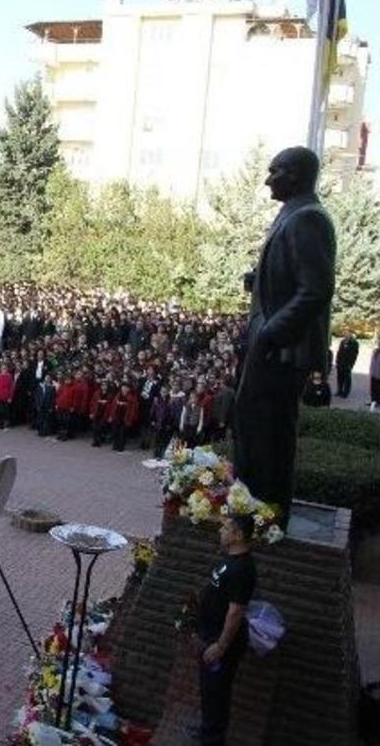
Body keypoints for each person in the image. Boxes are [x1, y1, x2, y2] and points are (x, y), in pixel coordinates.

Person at [234, 146, 335, 523]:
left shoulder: (309, 218)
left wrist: (271, 333)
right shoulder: (290, 214)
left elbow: (315, 289)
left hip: (281, 349)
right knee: (249, 424)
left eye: (273, 171)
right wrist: (258, 280)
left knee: (269, 433)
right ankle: (249, 505)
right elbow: (289, 277)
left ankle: (264, 516)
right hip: (269, 343)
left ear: (293, 175)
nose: (267, 180)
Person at [195, 514, 257, 746]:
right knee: (208, 693)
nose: (221, 532)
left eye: (226, 528)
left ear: (238, 535)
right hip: (209, 636)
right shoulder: (229, 560)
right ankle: (206, 731)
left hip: (220, 644)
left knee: (217, 694)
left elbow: (235, 612)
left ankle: (212, 739)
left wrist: (221, 646)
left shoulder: (243, 569)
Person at [334, 332, 359, 398]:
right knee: (340, 378)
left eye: (347, 335)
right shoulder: (342, 342)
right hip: (340, 364)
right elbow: (339, 352)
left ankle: (345, 393)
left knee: (347, 380)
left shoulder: (354, 343)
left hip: (347, 364)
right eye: (345, 335)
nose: (346, 336)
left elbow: (354, 355)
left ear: (350, 336)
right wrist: (337, 362)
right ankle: (339, 391)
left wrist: (351, 365)